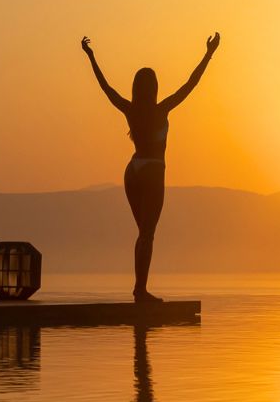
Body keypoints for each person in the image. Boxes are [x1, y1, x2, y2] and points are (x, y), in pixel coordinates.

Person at [81, 32, 219, 302]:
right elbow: (191, 84)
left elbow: (106, 87)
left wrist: (91, 57)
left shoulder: (130, 109)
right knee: (147, 234)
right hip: (153, 171)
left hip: (132, 171)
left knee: (143, 234)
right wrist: (208, 54)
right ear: (154, 88)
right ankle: (140, 290)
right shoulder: (162, 109)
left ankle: (139, 288)